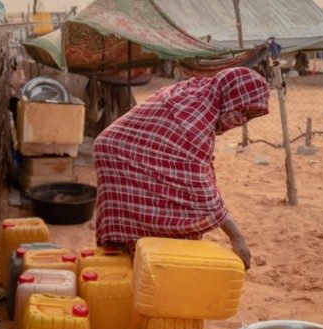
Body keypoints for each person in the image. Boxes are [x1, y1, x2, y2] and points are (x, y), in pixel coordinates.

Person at [93, 67, 270, 270]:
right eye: (243, 112)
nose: (242, 121)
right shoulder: (195, 114)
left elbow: (199, 167)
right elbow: (199, 186)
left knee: (159, 213)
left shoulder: (204, 94)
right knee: (160, 219)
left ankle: (140, 269)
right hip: (117, 155)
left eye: (248, 117)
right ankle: (136, 270)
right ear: (231, 97)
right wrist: (236, 237)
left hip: (119, 147)